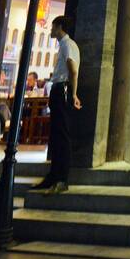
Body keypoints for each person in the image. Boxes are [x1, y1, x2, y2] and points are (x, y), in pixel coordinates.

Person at [34, 17, 81, 195]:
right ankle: (53, 176)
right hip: (60, 88)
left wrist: (73, 94)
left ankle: (61, 179)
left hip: (63, 88)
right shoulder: (64, 45)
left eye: (53, 27)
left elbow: (73, 70)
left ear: (59, 27)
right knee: (56, 134)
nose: (50, 30)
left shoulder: (67, 44)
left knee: (62, 135)